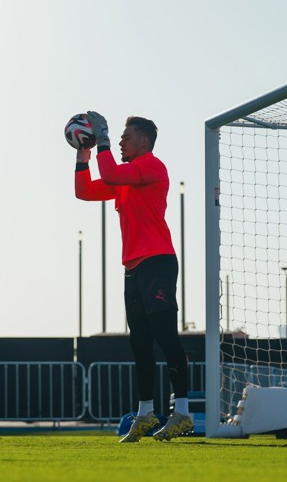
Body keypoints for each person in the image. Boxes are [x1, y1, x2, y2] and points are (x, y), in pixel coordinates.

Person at [74, 111, 193, 443]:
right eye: (120, 138)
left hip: (158, 262)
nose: (121, 142)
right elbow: (83, 191)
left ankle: (182, 413)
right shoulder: (124, 178)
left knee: (165, 337)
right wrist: (83, 155)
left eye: (126, 137)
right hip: (134, 268)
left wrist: (103, 138)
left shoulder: (152, 166)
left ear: (144, 141)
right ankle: (145, 414)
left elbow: (109, 172)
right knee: (139, 342)